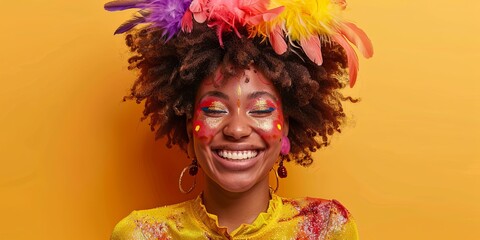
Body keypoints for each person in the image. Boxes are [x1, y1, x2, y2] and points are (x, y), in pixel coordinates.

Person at [105, 0, 373, 239]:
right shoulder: (140, 235)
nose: (236, 129)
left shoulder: (328, 227)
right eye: (214, 110)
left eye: (259, 109)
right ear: (189, 130)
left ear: (286, 129)